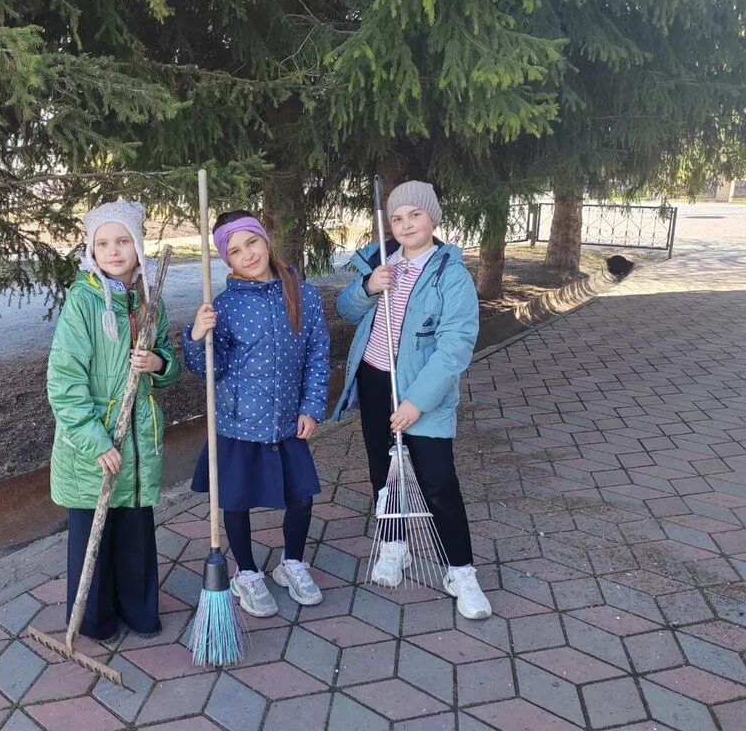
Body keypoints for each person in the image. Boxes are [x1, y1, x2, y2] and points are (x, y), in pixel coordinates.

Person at [333, 181, 492, 620]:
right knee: (384, 473)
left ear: (432, 218)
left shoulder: (450, 275)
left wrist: (416, 402)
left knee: (438, 481)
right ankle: (394, 545)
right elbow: (346, 310)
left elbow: (455, 347)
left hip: (422, 392)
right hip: (374, 381)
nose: (405, 225)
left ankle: (460, 570)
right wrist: (368, 286)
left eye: (414, 215)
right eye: (397, 218)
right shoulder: (379, 261)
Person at [184, 210, 330, 617]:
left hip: (287, 419)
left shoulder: (302, 293)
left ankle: (292, 563)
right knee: (236, 500)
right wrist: (197, 335)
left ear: (265, 240)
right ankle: (246, 572)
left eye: (252, 242)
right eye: (235, 251)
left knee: (301, 497)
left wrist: (311, 406)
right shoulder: (224, 306)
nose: (247, 254)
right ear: (225, 259)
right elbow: (209, 369)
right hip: (238, 422)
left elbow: (318, 352)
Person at [47, 200, 180, 642]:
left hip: (138, 439)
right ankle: (95, 620)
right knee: (94, 535)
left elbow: (170, 365)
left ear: (138, 245)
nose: (113, 250)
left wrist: (158, 362)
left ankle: (139, 610)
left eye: (123, 241)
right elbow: (64, 382)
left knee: (134, 531)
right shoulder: (82, 302)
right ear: (91, 250)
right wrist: (95, 440)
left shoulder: (150, 300)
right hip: (96, 445)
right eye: (102, 243)